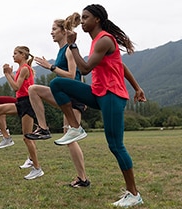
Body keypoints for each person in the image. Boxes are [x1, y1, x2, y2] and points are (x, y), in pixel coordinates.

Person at [49, 4, 146, 207]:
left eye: (86, 18)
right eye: (82, 18)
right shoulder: (97, 42)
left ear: (97, 20)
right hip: (98, 93)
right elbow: (121, 65)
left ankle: (133, 193)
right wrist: (137, 88)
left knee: (116, 146)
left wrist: (72, 45)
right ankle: (75, 127)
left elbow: (84, 69)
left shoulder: (103, 40)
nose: (82, 21)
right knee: (57, 84)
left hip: (112, 96)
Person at [24, 13, 90, 187]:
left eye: (54, 29)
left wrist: (50, 67)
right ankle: (43, 128)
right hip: (65, 95)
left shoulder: (69, 49)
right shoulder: (61, 50)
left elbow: (72, 75)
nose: (51, 33)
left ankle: (82, 178)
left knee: (70, 138)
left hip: (73, 96)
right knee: (33, 89)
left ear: (63, 31)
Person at [0, 46, 44, 180]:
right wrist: (11, 74)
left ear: (23, 55)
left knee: (27, 137)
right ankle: (6, 137)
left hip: (27, 103)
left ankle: (37, 168)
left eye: (15, 54)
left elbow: (16, 86)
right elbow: (18, 84)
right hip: (21, 102)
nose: (13, 56)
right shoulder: (22, 69)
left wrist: (7, 74)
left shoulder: (25, 69)